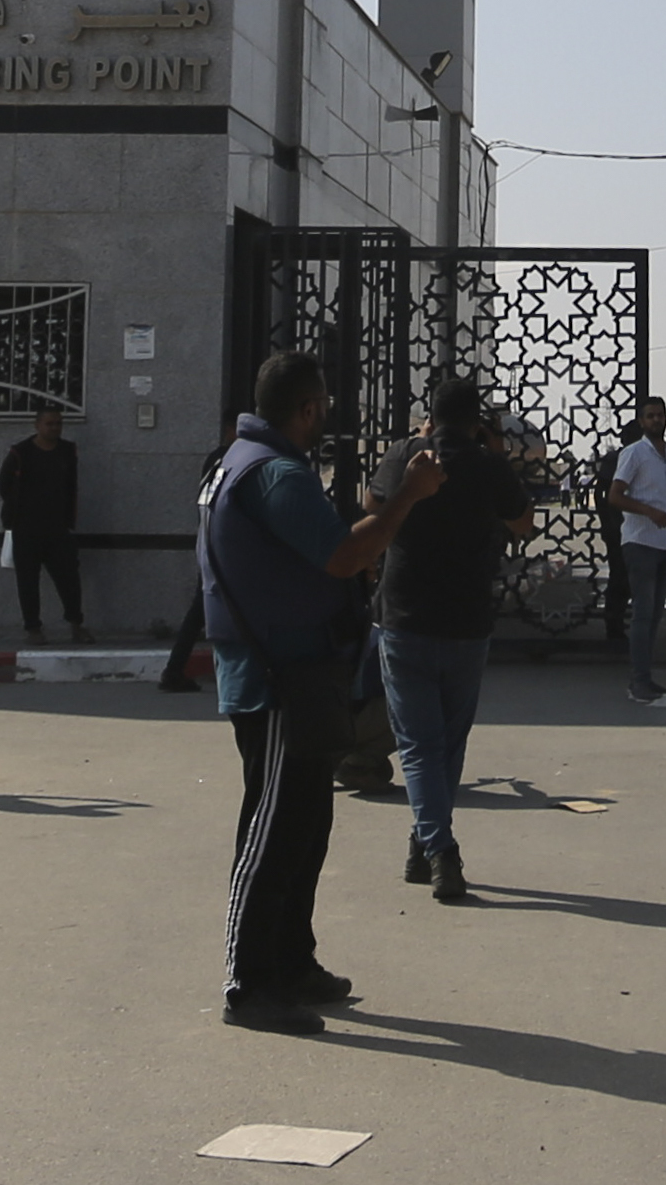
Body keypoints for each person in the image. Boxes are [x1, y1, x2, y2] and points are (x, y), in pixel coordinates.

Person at [204, 353, 441, 1033]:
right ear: (306, 409)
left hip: (299, 672)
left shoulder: (244, 460)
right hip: (278, 678)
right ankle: (249, 984)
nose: (327, 416)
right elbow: (345, 555)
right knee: (273, 830)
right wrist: (408, 495)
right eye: (324, 406)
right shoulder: (272, 472)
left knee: (306, 825)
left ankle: (291, 963)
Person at [376, 378, 535, 905]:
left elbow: (371, 504)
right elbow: (524, 522)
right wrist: (495, 457)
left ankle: (431, 847)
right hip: (467, 620)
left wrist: (417, 444)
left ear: (431, 415)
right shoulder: (489, 466)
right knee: (447, 740)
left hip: (405, 617)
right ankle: (436, 847)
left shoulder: (406, 455)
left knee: (419, 745)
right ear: (476, 422)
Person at [607, 396, 666, 709]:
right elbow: (615, 495)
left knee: (654, 615)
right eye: (650, 416)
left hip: (664, 544)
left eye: (660, 415)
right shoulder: (634, 453)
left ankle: (644, 677)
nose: (656, 420)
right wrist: (648, 512)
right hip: (640, 543)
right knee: (642, 612)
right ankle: (639, 681)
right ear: (641, 421)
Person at [0, 405, 83, 638]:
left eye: (58, 423)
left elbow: (71, 486)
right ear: (37, 425)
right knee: (27, 580)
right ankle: (33, 627)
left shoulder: (67, 451)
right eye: (49, 424)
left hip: (58, 527)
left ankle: (76, 623)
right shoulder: (21, 453)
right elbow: (4, 485)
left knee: (68, 577)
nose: (54, 428)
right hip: (26, 526)